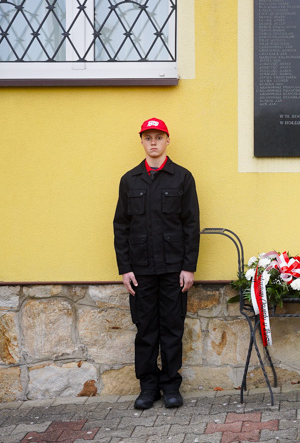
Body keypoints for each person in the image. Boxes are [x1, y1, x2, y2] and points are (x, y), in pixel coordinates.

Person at [113, 118, 200, 409]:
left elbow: (191, 224)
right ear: (141, 141)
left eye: (158, 137)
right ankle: (148, 387)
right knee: (146, 329)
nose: (153, 142)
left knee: (172, 329)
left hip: (174, 270)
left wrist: (189, 267)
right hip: (141, 271)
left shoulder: (182, 177)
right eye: (148, 137)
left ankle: (171, 386)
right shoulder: (130, 180)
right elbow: (121, 226)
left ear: (167, 141)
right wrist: (125, 268)